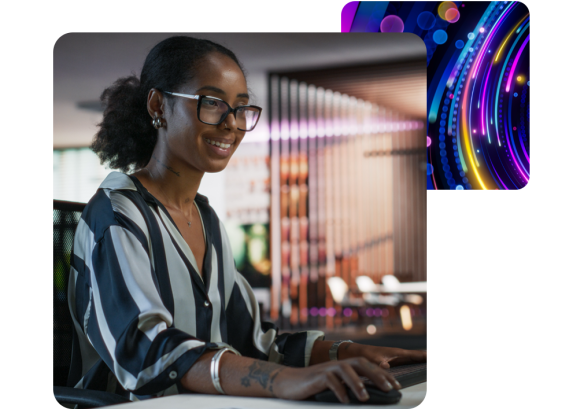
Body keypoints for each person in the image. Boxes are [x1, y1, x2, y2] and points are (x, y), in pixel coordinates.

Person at [68, 35, 426, 406]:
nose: (231, 124)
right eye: (212, 103)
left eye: (240, 108)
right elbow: (145, 352)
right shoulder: (116, 214)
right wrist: (286, 381)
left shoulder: (205, 219)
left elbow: (256, 344)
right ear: (159, 105)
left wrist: (348, 352)